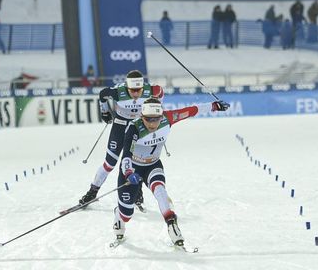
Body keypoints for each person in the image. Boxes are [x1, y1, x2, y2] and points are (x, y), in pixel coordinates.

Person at [111, 97, 230, 247]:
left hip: (152, 165)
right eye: (148, 119)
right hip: (132, 169)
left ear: (162, 116)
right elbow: (126, 155)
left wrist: (214, 106)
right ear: (142, 117)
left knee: (160, 191)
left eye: (156, 119)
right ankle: (119, 214)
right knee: (126, 214)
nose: (153, 124)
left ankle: (171, 223)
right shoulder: (134, 128)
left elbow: (191, 111)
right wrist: (128, 173)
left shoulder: (169, 118)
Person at [78, 70, 164, 210]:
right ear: (127, 87)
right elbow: (102, 94)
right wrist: (104, 111)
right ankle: (92, 192)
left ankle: (137, 192)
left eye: (139, 90)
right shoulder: (118, 91)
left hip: (139, 129)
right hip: (120, 127)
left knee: (138, 161)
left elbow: (160, 95)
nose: (136, 94)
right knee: (109, 163)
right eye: (132, 90)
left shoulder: (152, 90)